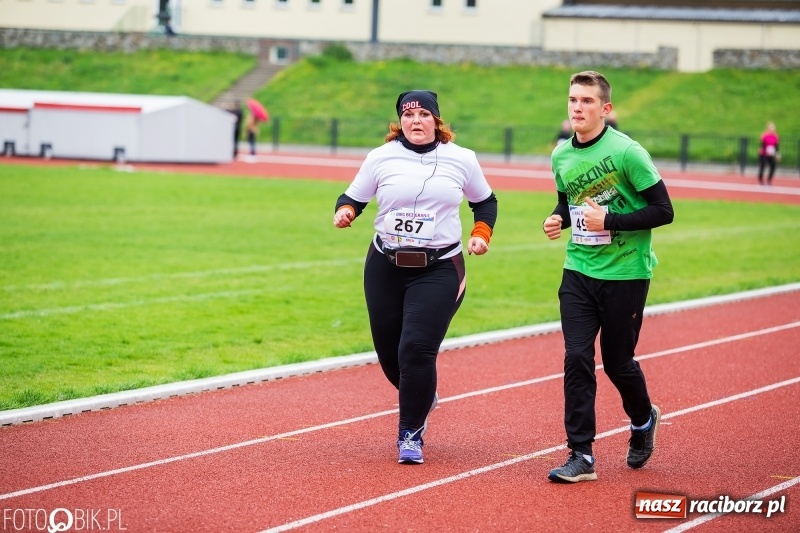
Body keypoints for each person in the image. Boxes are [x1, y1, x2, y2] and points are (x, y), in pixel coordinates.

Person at [333, 90, 498, 465]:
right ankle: (422, 394)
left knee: (416, 349)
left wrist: (481, 234)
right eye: (409, 115)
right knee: (390, 353)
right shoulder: (381, 157)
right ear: (400, 122)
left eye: (425, 114)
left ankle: (410, 433)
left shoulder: (462, 159)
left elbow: (485, 201)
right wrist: (345, 211)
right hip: (385, 265)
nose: (416, 121)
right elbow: (353, 197)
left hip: (440, 267)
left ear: (436, 121)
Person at [542, 71, 674, 483]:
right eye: (572, 100)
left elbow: (663, 210)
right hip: (579, 270)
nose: (577, 108)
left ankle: (641, 421)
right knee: (577, 357)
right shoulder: (561, 156)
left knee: (618, 363)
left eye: (586, 101)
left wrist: (611, 218)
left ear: (606, 108)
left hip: (626, 274)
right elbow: (568, 204)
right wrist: (556, 219)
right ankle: (581, 455)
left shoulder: (628, 153)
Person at [757, 121, 780, 186]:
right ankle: (760, 179)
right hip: (764, 154)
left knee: (773, 166)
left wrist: (777, 153)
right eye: (770, 128)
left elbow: (776, 146)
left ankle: (769, 180)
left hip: (772, 154)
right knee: (762, 166)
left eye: (773, 128)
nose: (772, 130)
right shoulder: (764, 135)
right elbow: (762, 145)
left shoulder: (776, 136)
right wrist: (766, 151)